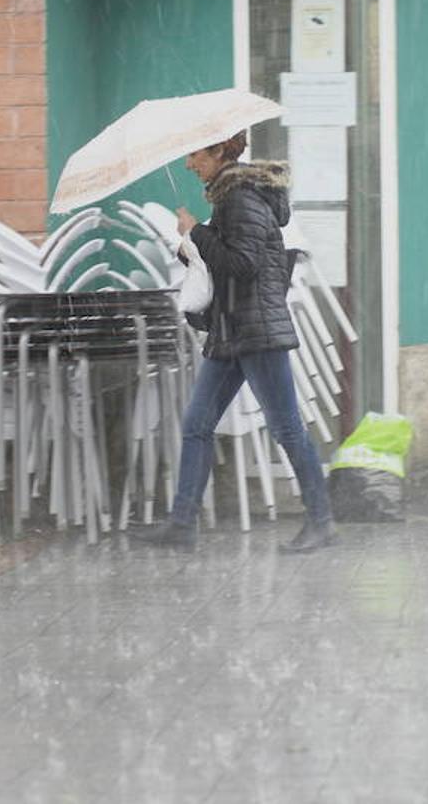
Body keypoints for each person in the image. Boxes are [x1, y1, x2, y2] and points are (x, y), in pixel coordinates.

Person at [133, 130, 336, 552]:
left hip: (256, 332)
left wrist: (197, 232)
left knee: (286, 428)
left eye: (195, 153)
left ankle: (322, 521)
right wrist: (192, 245)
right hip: (231, 331)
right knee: (197, 425)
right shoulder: (230, 197)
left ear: (219, 150)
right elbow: (228, 259)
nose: (190, 163)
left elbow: (243, 265)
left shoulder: (241, 196)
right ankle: (182, 523)